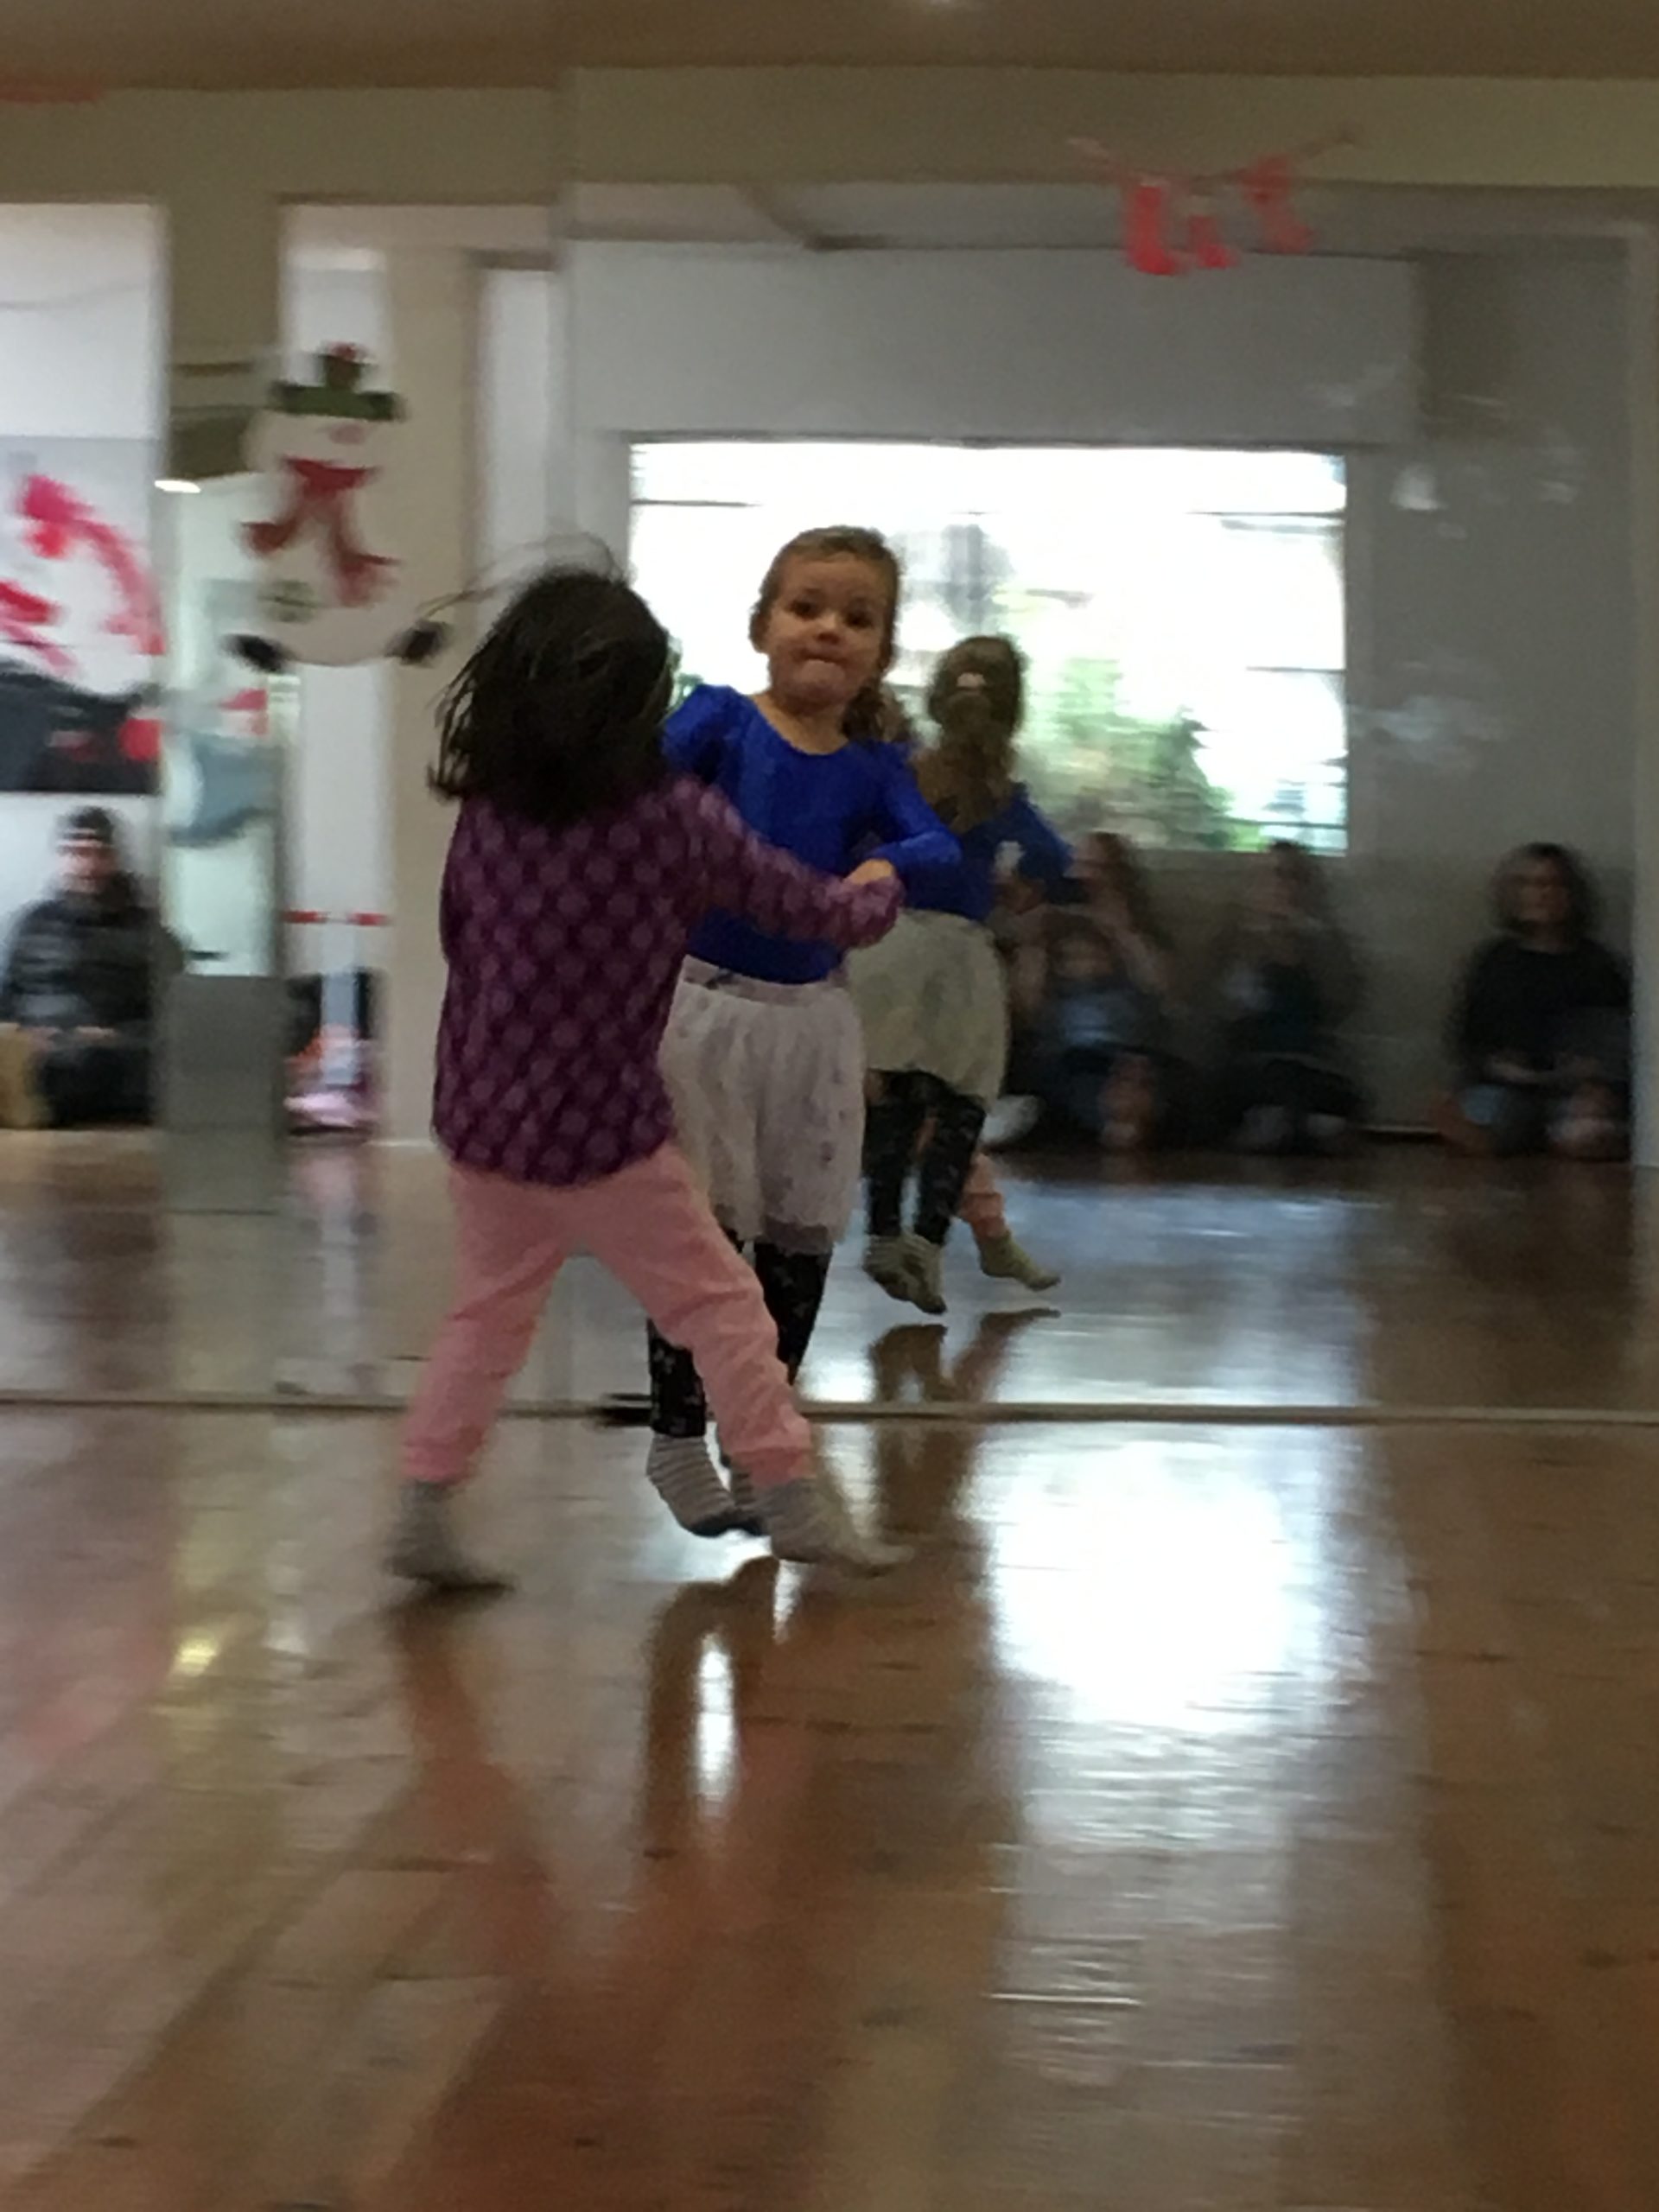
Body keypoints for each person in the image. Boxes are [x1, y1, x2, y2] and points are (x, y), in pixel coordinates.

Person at [389, 567, 912, 1594]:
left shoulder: (490, 811)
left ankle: (424, 1504)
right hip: (606, 1137)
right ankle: (791, 1493)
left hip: (486, 1124)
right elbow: (806, 909)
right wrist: (880, 886)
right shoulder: (673, 819)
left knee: (485, 1318)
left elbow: (462, 942)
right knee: (724, 1306)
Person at [644, 526, 957, 1520]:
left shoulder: (874, 768)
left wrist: (886, 861)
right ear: (761, 626)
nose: (829, 629)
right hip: (705, 1008)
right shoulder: (720, 719)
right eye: (807, 607)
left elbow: (937, 844)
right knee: (702, 1238)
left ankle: (761, 1436)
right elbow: (639, 791)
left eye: (857, 618)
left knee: (799, 1240)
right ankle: (676, 1436)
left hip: (811, 1021)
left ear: (882, 651)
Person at [850, 635, 1071, 1314]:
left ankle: (882, 1234)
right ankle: (927, 1242)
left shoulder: (899, 769)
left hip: (886, 948)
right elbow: (1054, 856)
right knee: (962, 1102)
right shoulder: (1002, 794)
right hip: (958, 957)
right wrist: (1018, 887)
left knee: (895, 1097)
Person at [1442, 841, 1630, 1160]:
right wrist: (1498, 1065)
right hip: (1507, 1085)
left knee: (1587, 1127)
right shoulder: (1495, 960)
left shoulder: (1597, 964)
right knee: (1495, 1111)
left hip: (1573, 1087)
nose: (1541, 894)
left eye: (1552, 884)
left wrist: (1596, 1082)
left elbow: (1616, 1037)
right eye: (1528, 884)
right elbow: (1468, 1038)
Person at [0, 806, 170, 1129]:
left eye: (99, 854)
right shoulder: (31, 925)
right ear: (61, 858)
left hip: (112, 1053)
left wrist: (114, 1036)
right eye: (77, 853)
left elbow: (174, 1018)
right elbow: (6, 999)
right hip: (33, 1050)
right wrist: (22, 1035)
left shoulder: (149, 933)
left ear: (115, 859)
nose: (88, 866)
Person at [1211, 840, 1363, 1155]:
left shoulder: (1324, 942)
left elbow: (1343, 1001)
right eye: (1270, 875)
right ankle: (1297, 1124)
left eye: (1290, 876)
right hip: (1254, 1062)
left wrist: (1309, 944)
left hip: (1310, 1062)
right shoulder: (1235, 939)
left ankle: (1292, 1123)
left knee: (1323, 1091)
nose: (1279, 886)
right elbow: (1226, 1006)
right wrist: (1258, 943)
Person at [1030, 830, 1173, 1151]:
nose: (1089, 879)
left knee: (1167, 1076)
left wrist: (1123, 931)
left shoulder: (1139, 929)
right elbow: (1030, 1008)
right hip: (1075, 1053)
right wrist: (1036, 940)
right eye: (1080, 867)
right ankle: (1117, 1113)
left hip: (1134, 1046)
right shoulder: (1057, 928)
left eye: (1100, 869)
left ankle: (1129, 1100)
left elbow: (1162, 989)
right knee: (1066, 1078)